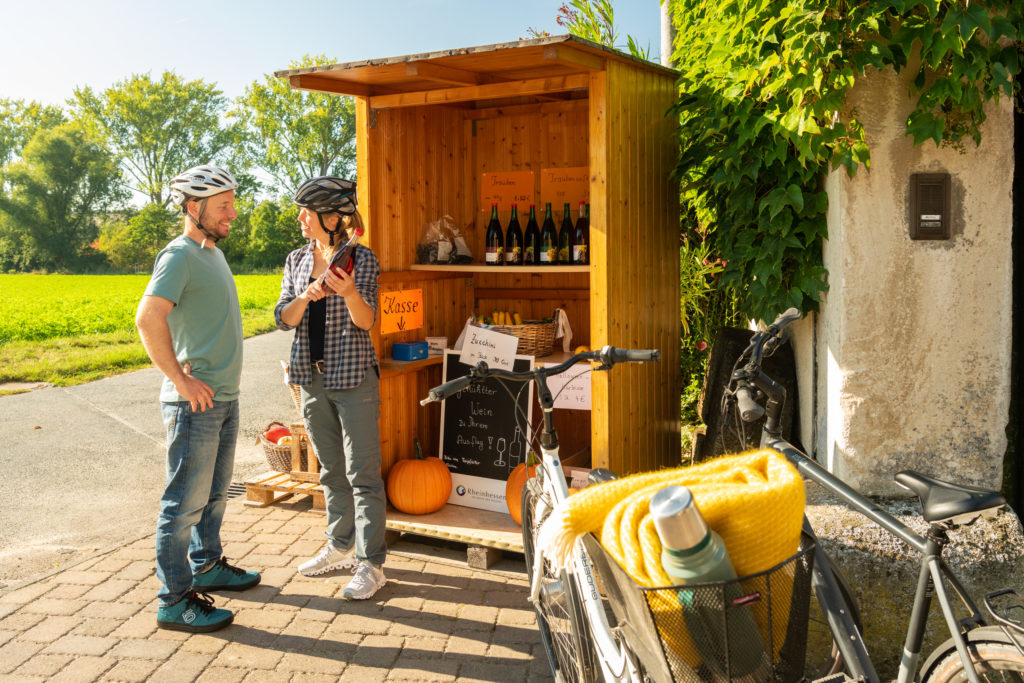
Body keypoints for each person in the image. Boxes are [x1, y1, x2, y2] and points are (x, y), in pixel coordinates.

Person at [135, 164, 260, 633]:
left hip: (223, 398)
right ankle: (173, 600)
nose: (232, 213)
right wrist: (180, 381)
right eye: (223, 206)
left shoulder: (211, 252)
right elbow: (148, 319)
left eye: (232, 202)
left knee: (212, 497)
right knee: (182, 505)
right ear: (193, 208)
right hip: (194, 405)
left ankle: (207, 564)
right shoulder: (178, 256)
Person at [275, 176, 387, 600]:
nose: (301, 218)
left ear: (332, 218)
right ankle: (339, 546)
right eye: (302, 211)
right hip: (311, 377)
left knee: (362, 473)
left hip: (353, 376)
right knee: (330, 470)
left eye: (307, 212)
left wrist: (351, 292)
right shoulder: (297, 260)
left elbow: (367, 321)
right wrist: (306, 297)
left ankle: (371, 564)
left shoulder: (362, 259)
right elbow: (284, 317)